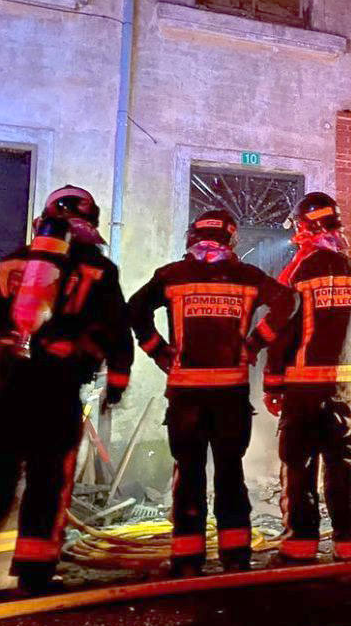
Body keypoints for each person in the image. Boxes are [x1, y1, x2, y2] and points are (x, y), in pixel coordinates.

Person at [0, 185, 133, 593]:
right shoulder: (99, 269)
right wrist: (117, 379)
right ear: (91, 223)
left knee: (3, 470)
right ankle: (34, 570)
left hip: (8, 384)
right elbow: (117, 328)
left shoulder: (10, 263)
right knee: (47, 480)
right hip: (57, 389)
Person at [128, 209, 298, 575]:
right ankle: (235, 558)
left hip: (186, 396)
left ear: (193, 237)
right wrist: (255, 343)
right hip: (230, 397)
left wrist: (158, 350)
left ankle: (187, 561)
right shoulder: (246, 276)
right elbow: (289, 302)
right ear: (231, 240)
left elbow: (135, 309)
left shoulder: (172, 276)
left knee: (188, 474)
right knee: (229, 473)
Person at [247, 192, 351, 563]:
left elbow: (283, 333)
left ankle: (299, 547)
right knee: (344, 465)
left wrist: (273, 383)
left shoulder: (297, 273)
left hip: (302, 389)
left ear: (306, 227)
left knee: (299, 466)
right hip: (345, 389)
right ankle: (349, 545)